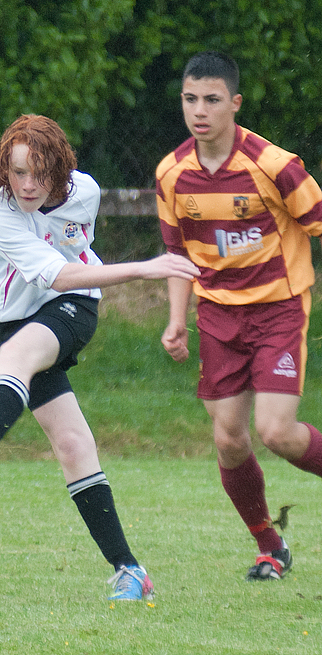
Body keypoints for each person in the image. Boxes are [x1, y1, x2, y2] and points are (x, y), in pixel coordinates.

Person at [0, 114, 199, 601]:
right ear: (5, 167)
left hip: (75, 307)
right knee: (71, 444)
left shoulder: (86, 192)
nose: (27, 184)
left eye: (40, 173)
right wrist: (145, 269)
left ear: (61, 169)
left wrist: (137, 270)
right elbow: (54, 274)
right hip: (20, 315)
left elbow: (72, 274)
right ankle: (130, 571)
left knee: (18, 356)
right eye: (18, 171)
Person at [157, 50, 322, 581]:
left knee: (277, 432)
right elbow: (178, 256)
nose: (199, 110)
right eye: (190, 99)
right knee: (229, 438)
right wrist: (176, 318)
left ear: (235, 103)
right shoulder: (172, 175)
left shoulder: (275, 166)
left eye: (211, 99)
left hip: (278, 308)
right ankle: (270, 545)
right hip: (219, 317)